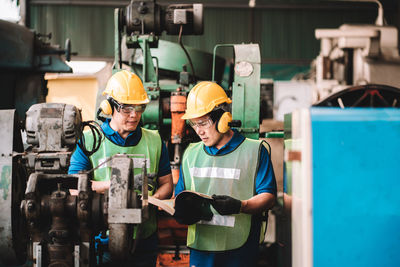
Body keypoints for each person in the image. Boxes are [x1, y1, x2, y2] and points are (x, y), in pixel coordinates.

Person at [68, 70, 173, 266]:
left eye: (139, 107)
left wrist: (151, 201)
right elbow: (73, 187)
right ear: (109, 107)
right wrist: (113, 185)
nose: (134, 115)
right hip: (103, 242)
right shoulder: (90, 140)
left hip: (144, 240)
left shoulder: (155, 140)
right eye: (126, 108)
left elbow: (166, 183)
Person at [174, 81, 277, 267]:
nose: (199, 131)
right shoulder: (190, 153)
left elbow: (269, 197)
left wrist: (241, 206)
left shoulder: (254, 151)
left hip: (240, 251)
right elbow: (180, 195)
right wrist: (180, 211)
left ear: (222, 118)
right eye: (194, 124)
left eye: (204, 122)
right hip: (201, 250)